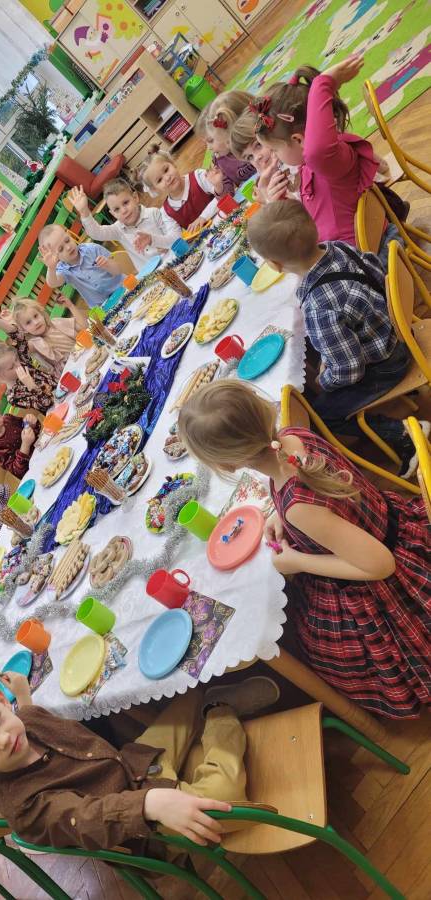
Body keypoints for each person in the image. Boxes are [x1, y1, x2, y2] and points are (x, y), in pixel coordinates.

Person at [179, 380, 431, 719]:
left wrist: (297, 561)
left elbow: (381, 564)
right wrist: (281, 516)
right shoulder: (293, 438)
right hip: (390, 525)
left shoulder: (300, 507)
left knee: (315, 643)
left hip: (392, 578)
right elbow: (317, 492)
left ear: (227, 466)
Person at [0, 672, 281, 851]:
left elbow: (23, 716)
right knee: (228, 801)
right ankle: (219, 711)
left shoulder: (24, 720)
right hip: (146, 826)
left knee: (188, 694)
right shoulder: (24, 808)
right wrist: (149, 804)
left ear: (1, 703)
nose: (4, 739)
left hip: (136, 765)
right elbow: (86, 818)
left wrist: (24, 697)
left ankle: (207, 701)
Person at [247, 200, 428, 476]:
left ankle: (403, 436)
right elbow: (376, 272)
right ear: (313, 227)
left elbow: (350, 370)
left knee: (322, 415)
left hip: (388, 363)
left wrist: (324, 380)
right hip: (396, 331)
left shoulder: (319, 308)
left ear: (274, 265)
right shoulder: (338, 248)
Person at [250, 55, 381, 245]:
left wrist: (322, 85)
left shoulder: (328, 160)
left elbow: (317, 150)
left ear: (298, 139)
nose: (274, 156)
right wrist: (287, 203)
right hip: (346, 249)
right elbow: (321, 211)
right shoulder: (308, 166)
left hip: (363, 254)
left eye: (275, 149)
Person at [69, 179, 181, 270]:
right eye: (117, 209)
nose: (123, 211)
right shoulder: (118, 230)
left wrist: (163, 244)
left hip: (173, 261)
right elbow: (96, 233)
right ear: (113, 214)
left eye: (126, 203)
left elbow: (175, 238)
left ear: (135, 198)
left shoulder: (154, 213)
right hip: (152, 277)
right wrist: (84, 211)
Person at [39, 223, 124, 307]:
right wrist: (51, 268)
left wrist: (108, 264)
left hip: (122, 289)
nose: (68, 247)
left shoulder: (92, 249)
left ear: (69, 234)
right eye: (61, 249)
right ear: (55, 256)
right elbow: (53, 283)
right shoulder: (63, 270)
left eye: (67, 240)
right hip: (104, 307)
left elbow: (119, 270)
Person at [136, 144, 218, 231]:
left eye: (166, 170)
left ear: (173, 163)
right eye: (159, 180)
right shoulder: (166, 212)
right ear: (155, 189)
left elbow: (222, 194)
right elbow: (174, 235)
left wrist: (203, 217)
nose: (167, 178)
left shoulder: (199, 176)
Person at [195, 91, 257, 198]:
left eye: (211, 140)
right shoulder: (219, 161)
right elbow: (228, 196)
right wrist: (218, 186)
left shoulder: (255, 140)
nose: (209, 148)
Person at [0, 336, 57, 415]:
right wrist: (32, 386)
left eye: (16, 359)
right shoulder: (14, 396)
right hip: (57, 410)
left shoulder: (23, 363)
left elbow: (19, 337)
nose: (18, 365)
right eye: (11, 367)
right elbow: (48, 404)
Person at [11, 297, 88, 374]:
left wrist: (70, 306)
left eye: (36, 316)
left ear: (41, 313)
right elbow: (20, 348)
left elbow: (84, 326)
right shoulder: (34, 344)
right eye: (28, 322)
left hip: (86, 357)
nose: (35, 323)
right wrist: (9, 327)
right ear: (23, 329)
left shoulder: (57, 323)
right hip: (73, 373)